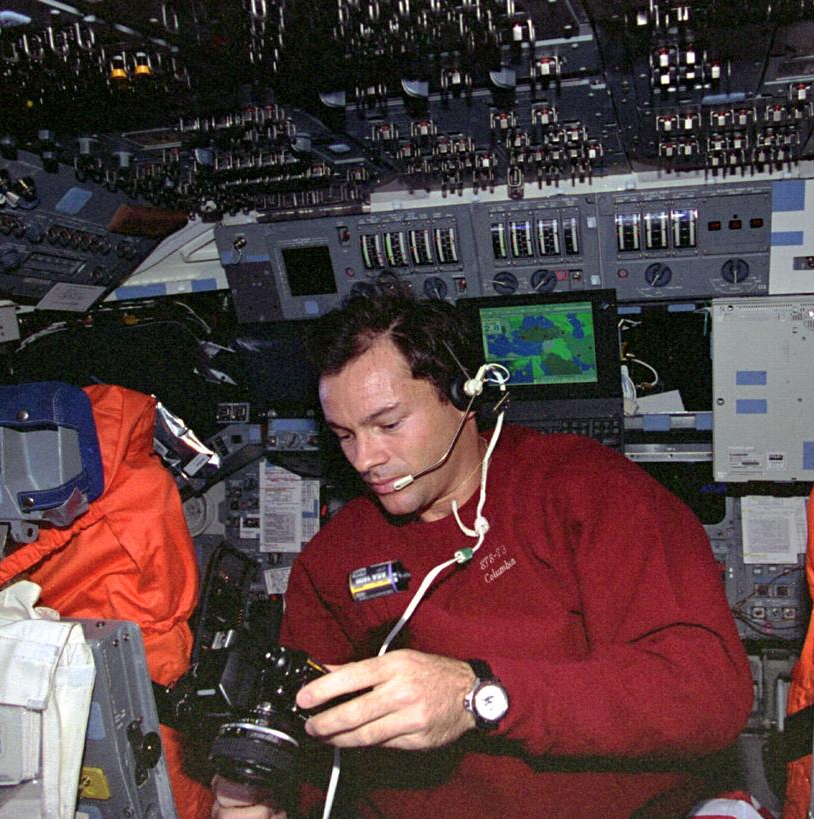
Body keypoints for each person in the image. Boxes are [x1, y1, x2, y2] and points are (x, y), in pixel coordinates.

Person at [212, 292, 752, 818]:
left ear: (464, 395)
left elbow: (705, 692)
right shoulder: (333, 557)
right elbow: (311, 739)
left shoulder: (589, 490)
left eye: (389, 424)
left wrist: (479, 695)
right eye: (344, 435)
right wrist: (268, 797)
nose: (365, 458)